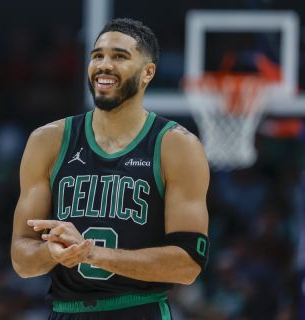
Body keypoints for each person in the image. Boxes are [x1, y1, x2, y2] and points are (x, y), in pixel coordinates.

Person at [11, 18, 210, 320]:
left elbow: (187, 265)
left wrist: (91, 253)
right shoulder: (48, 141)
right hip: (66, 311)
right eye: (97, 55)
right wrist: (50, 252)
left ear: (148, 73)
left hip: (139, 309)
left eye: (119, 56)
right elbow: (21, 260)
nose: (104, 64)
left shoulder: (176, 145)